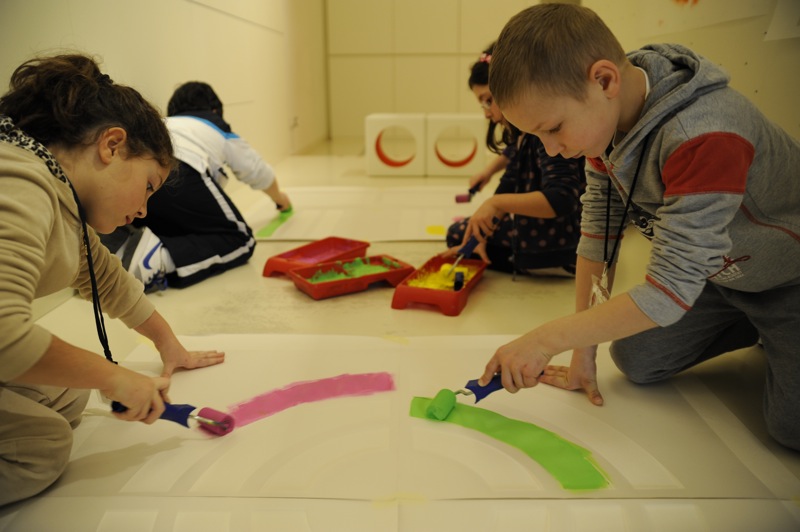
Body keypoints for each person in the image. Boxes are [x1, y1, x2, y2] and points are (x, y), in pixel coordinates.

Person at [477, 4, 800, 451]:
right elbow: (597, 233)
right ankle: (755, 328)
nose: (550, 151)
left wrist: (545, 338)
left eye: (552, 128)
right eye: (537, 137)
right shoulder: (603, 123)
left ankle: (776, 328)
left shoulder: (704, 133)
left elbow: (667, 290)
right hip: (721, 279)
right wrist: (581, 356)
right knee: (635, 360)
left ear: (605, 80)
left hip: (787, 280)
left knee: (789, 430)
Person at [0, 54, 226, 506]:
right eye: (147, 185)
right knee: (43, 448)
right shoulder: (21, 180)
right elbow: (3, 332)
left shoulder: (58, 189)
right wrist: (113, 376)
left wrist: (168, 345)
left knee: (67, 395)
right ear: (112, 145)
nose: (144, 210)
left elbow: (105, 277)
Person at [102, 81, 291, 291]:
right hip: (183, 169)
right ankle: (158, 259)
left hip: (143, 175)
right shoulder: (214, 124)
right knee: (240, 239)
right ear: (214, 110)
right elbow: (258, 172)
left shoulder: (164, 124)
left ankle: (115, 247)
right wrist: (280, 199)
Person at [445, 44, 585, 276]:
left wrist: (497, 205)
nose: (486, 113)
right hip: (551, 230)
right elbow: (508, 182)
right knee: (467, 234)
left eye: (488, 101)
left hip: (564, 237)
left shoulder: (543, 134)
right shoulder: (523, 135)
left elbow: (562, 198)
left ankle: (553, 262)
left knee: (456, 234)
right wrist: (486, 225)